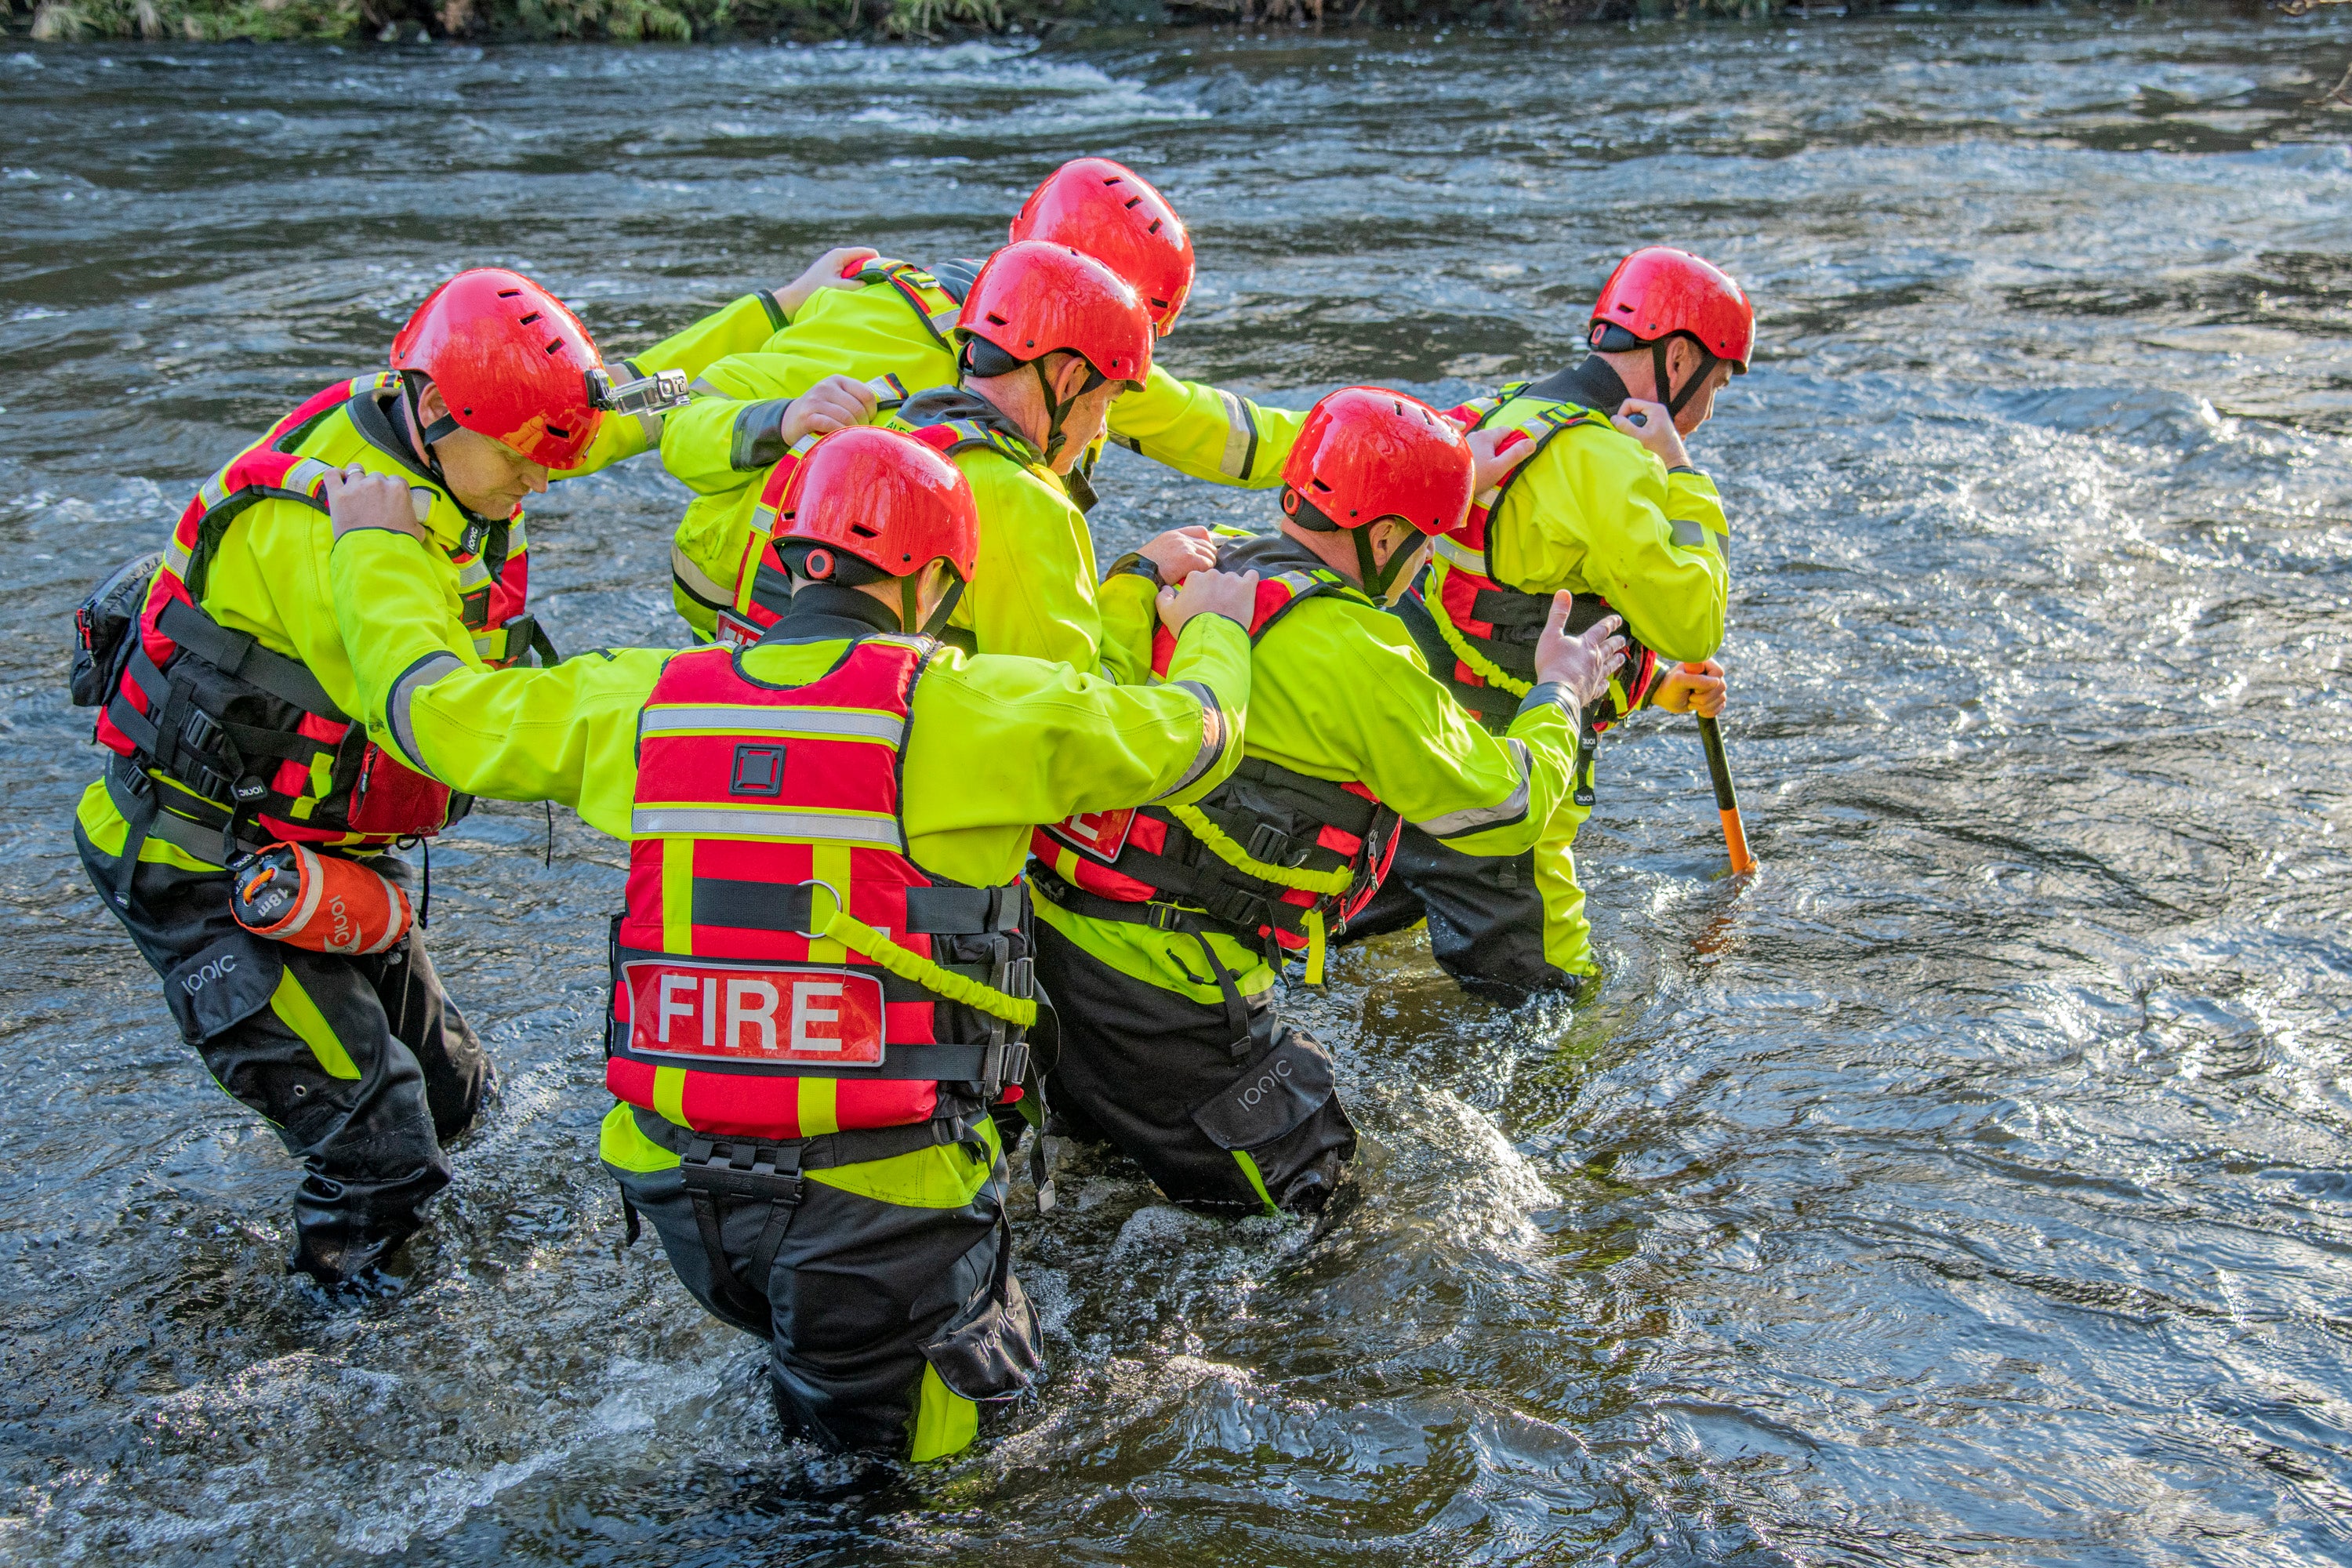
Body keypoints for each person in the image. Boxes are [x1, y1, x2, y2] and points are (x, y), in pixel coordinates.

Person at [314, 424, 1261, 1461]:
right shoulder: (970, 708)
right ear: (938, 579)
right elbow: (1198, 735)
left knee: (819, 1436)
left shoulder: (642, 697)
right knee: (935, 1496)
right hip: (882, 1215)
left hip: (678, 1196)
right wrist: (1212, 623)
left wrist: (374, 549)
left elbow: (426, 711)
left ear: (789, 557)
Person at [70, 267, 797, 1290]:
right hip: (199, 862)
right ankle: (340, 1365)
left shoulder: (461, 427)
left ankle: (419, 1286)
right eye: (519, 463)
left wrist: (780, 350)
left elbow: (641, 391)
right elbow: (436, 718)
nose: (540, 483)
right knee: (381, 1151)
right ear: (433, 410)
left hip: (320, 853)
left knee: (462, 1104)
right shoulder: (344, 533)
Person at [1025, 389, 1631, 1217]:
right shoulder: (1355, 647)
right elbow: (1505, 806)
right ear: (1384, 538)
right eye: (1420, 543)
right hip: (1168, 1003)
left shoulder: (1199, 567)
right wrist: (1561, 690)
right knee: (1327, 1210)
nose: (1422, 564)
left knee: (1104, 1190)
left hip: (1048, 960)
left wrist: (1131, 575)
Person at [660, 157, 1308, 641]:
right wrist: (782, 419)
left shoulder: (1091, 377)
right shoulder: (876, 315)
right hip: (739, 605)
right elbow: (684, 426)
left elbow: (1233, 435)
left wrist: (1383, 463)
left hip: (873, 629)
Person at [1353, 246, 1754, 1001]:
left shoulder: (1500, 411)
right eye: (1717, 385)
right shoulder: (1612, 462)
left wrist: (1656, 685)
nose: (1708, 414)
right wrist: (1686, 480)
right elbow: (1695, 618)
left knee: (1349, 933)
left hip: (1407, 762)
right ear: (1677, 358)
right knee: (1562, 1006)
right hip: (1507, 801)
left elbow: (1511, 620)